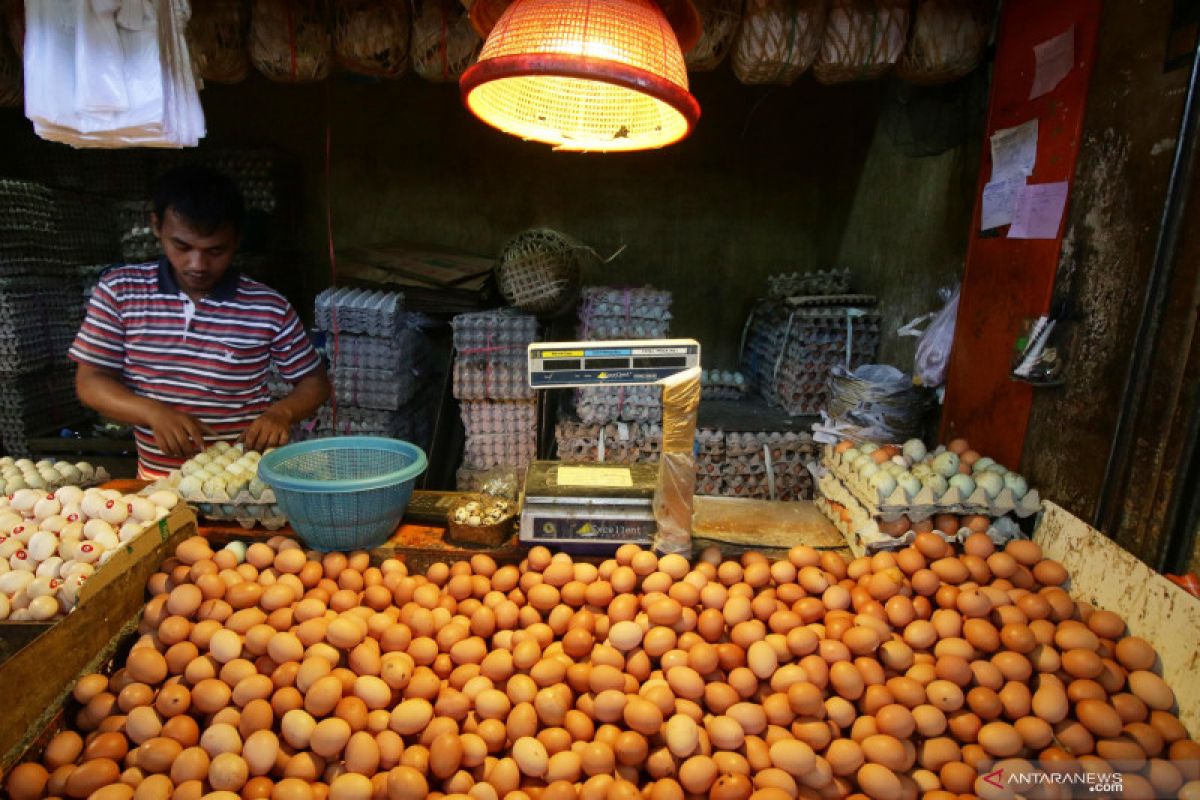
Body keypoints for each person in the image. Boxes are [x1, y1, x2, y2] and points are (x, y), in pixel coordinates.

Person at [70, 166, 330, 478]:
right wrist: (152, 412)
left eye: (215, 251)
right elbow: (90, 381)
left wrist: (282, 413)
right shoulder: (120, 291)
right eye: (182, 247)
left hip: (241, 482)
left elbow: (314, 382)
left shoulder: (267, 306)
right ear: (156, 226)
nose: (198, 265)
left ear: (237, 239)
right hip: (158, 484)